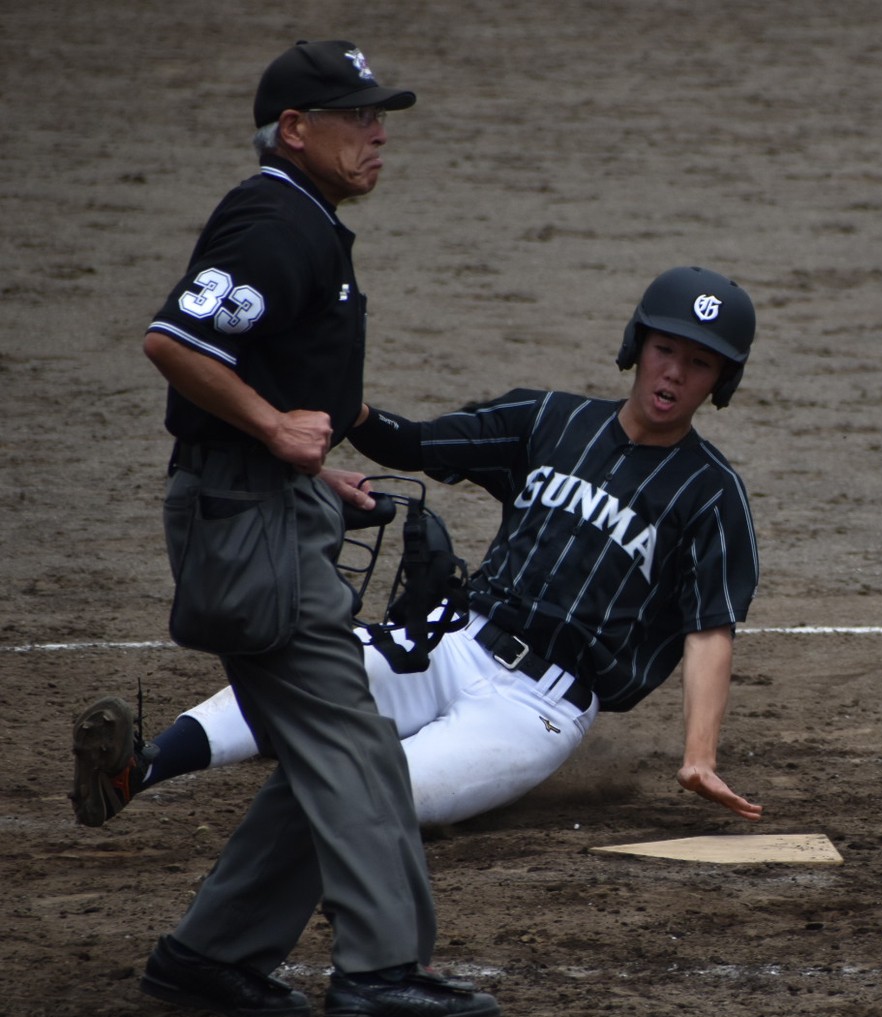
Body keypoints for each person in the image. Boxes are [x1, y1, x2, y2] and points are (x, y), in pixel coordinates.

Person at [76, 39, 501, 1017]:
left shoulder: (301, 220)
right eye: (357, 117)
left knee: (331, 749)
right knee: (357, 747)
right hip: (244, 522)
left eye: (379, 114)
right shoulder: (275, 221)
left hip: (263, 506)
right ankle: (379, 972)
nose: (378, 132)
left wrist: (315, 468)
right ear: (295, 131)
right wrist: (273, 430)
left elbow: (259, 376)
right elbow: (173, 341)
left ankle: (212, 956)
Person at [72, 265, 764, 834]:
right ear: (637, 345)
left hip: (534, 711)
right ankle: (139, 768)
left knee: (373, 800)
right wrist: (333, 402)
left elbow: (710, 631)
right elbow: (414, 444)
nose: (674, 374)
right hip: (447, 644)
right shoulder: (550, 420)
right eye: (666, 350)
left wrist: (698, 755)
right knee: (294, 684)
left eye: (699, 363)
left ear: (719, 382)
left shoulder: (711, 494)